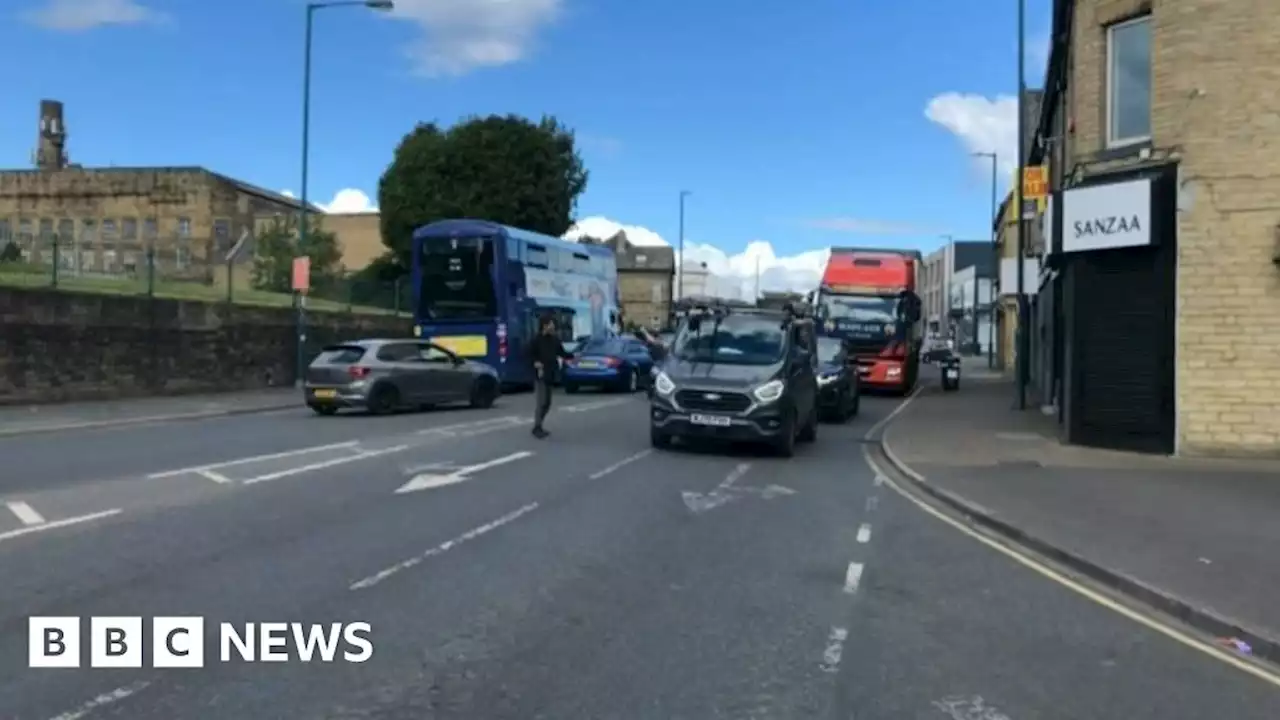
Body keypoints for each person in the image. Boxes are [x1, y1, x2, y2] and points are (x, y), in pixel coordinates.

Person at [530, 314, 572, 439]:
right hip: (540, 375)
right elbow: (527, 354)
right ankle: (537, 427)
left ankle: (539, 424)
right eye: (551, 324)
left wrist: (574, 356)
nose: (553, 326)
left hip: (551, 374)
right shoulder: (536, 340)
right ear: (545, 325)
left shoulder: (555, 340)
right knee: (541, 402)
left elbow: (562, 353)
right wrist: (535, 362)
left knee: (547, 403)